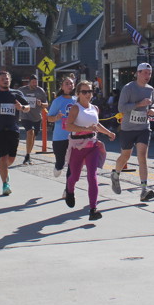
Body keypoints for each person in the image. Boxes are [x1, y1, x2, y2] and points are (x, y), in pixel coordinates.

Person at [63, 80, 116, 221]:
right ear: (78, 94)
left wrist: (108, 133)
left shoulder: (95, 108)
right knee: (74, 177)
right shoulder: (76, 108)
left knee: (92, 177)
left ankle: (93, 209)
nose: (88, 94)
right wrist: (85, 129)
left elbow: (96, 125)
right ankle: (69, 190)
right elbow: (68, 126)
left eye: (90, 91)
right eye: (84, 92)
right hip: (77, 146)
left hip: (92, 146)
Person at [111, 63, 154, 202]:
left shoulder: (150, 89)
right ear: (138, 73)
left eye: (149, 73)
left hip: (143, 128)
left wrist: (152, 110)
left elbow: (153, 104)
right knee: (125, 156)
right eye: (145, 73)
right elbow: (121, 108)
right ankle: (115, 174)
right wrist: (139, 104)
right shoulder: (128, 88)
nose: (147, 76)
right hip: (128, 128)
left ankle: (144, 190)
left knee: (142, 156)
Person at [0, 71, 30, 196]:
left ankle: (4, 169)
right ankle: (5, 184)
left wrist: (22, 108)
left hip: (13, 129)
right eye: (3, 79)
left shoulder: (17, 94)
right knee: (3, 157)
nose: (6, 80)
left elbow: (27, 107)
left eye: (7, 78)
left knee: (11, 158)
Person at [47, 76, 76, 178]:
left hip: (74, 136)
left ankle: (69, 185)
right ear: (62, 87)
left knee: (72, 163)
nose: (69, 85)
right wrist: (56, 117)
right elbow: (49, 118)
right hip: (60, 137)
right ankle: (58, 167)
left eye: (71, 83)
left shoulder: (77, 100)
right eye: (67, 84)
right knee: (60, 163)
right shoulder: (57, 101)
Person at [18, 75, 48, 165]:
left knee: (33, 136)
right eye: (33, 82)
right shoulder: (22, 90)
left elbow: (46, 104)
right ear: (29, 82)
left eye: (36, 82)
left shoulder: (40, 91)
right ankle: (27, 155)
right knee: (30, 132)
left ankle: (28, 155)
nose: (35, 84)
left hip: (37, 117)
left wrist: (41, 104)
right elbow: (15, 99)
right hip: (25, 116)